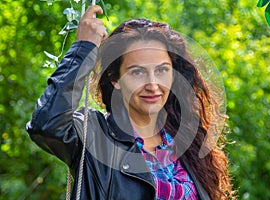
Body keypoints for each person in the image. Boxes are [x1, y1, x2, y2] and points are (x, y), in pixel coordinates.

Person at [26, 5, 234, 200]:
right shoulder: (95, 135)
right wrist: (83, 48)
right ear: (115, 79)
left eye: (162, 70)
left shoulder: (188, 140)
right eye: (137, 72)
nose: (152, 85)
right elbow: (46, 124)